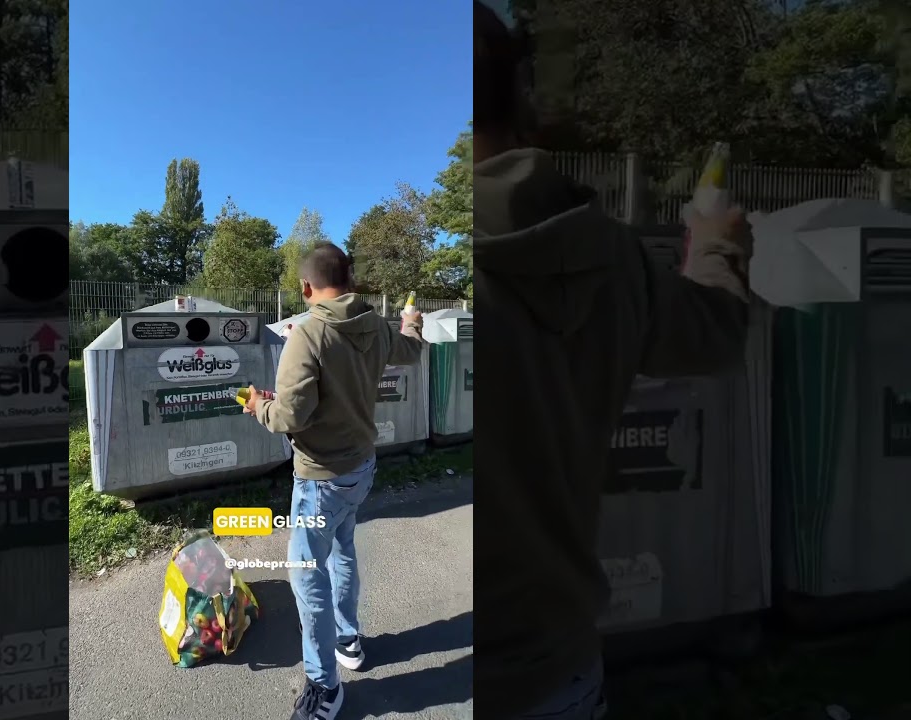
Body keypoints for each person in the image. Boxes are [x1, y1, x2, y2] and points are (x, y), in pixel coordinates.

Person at [473, 2, 755, 719]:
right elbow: (718, 334)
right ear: (523, 96)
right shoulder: (611, 257)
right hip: (553, 670)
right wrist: (714, 245)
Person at [243, 243, 426, 720]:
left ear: (306, 288)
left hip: (321, 479)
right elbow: (412, 350)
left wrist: (258, 406)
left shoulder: (307, 335)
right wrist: (411, 318)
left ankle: (326, 687)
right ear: (350, 280)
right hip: (361, 469)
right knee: (342, 550)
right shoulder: (377, 326)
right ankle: (349, 641)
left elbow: (290, 416)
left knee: (307, 576)